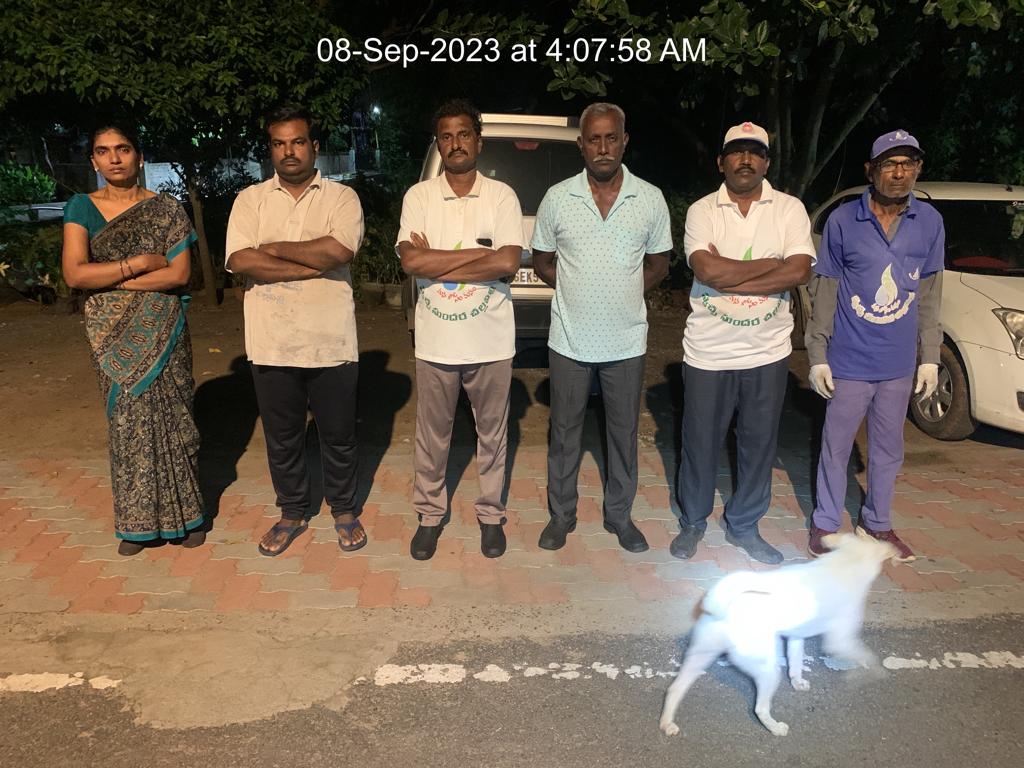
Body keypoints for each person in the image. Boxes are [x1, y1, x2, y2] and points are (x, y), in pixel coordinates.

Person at [225, 103, 366, 556]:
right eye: (279, 143)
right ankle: (292, 512)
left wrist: (272, 249)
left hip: (331, 340)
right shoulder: (250, 200)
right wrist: (310, 263)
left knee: (338, 435)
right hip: (271, 341)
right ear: (270, 149)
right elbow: (240, 259)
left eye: (298, 141)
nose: (289, 151)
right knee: (282, 438)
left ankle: (344, 509)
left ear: (314, 146)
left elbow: (339, 251)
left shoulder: (342, 198)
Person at [671, 121, 814, 565]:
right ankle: (693, 521)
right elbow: (706, 270)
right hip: (708, 351)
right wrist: (771, 265)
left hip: (768, 351)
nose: (745, 160)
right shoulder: (703, 210)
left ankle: (744, 526)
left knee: (758, 444)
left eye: (755, 152)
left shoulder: (789, 209)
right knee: (699, 442)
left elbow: (799, 271)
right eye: (736, 151)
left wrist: (731, 274)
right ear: (721, 161)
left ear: (767, 163)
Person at [531, 102, 671, 553]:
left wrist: (625, 290)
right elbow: (543, 260)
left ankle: (619, 517)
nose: (604, 147)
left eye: (612, 138)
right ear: (582, 144)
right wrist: (576, 288)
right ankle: (561, 516)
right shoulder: (558, 198)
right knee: (564, 434)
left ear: (625, 141)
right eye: (594, 139)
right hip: (569, 339)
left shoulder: (649, 198)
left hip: (626, 341)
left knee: (623, 435)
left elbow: (659, 263)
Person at [61, 124, 205, 556]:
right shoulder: (81, 207)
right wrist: (138, 264)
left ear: (139, 157)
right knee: (125, 425)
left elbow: (179, 274)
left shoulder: (167, 209)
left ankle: (188, 518)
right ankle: (135, 526)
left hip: (165, 330)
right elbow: (75, 274)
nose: (114, 158)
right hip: (110, 337)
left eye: (122, 149)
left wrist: (109, 281)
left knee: (178, 421)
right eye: (103, 151)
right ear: (94, 161)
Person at [805, 130, 944, 563]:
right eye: (889, 164)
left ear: (917, 169)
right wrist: (817, 354)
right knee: (836, 446)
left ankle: (877, 523)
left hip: (898, 364)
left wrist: (930, 357)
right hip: (848, 360)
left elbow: (930, 293)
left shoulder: (930, 222)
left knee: (888, 450)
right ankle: (826, 523)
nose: (899, 173)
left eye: (908, 164)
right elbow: (825, 290)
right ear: (871, 170)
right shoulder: (844, 220)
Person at [397, 99, 524, 561]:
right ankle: (430, 516)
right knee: (432, 437)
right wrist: (480, 256)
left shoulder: (502, 196)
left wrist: (439, 261)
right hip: (436, 341)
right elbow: (411, 262)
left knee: (492, 435)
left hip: (492, 341)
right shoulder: (419, 197)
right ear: (438, 143)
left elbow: (508, 261)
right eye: (446, 136)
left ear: (478, 141)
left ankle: (490, 516)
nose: (455, 143)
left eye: (463, 134)